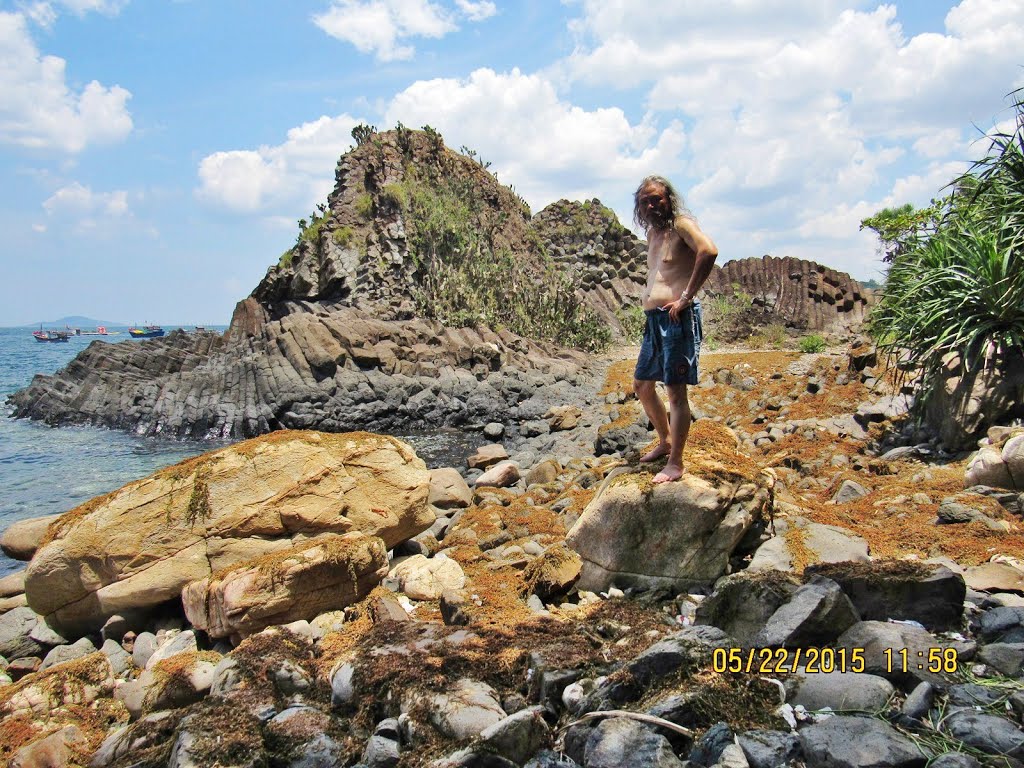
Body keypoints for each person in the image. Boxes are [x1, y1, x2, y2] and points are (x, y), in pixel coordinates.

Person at [632, 175, 718, 483]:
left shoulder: (681, 224)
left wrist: (685, 298)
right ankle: (665, 442)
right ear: (638, 206)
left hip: (675, 319)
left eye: (657, 199)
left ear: (669, 199)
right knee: (642, 385)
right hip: (655, 320)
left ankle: (676, 463)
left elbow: (708, 250)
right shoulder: (653, 234)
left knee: (675, 393)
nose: (651, 205)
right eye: (645, 201)